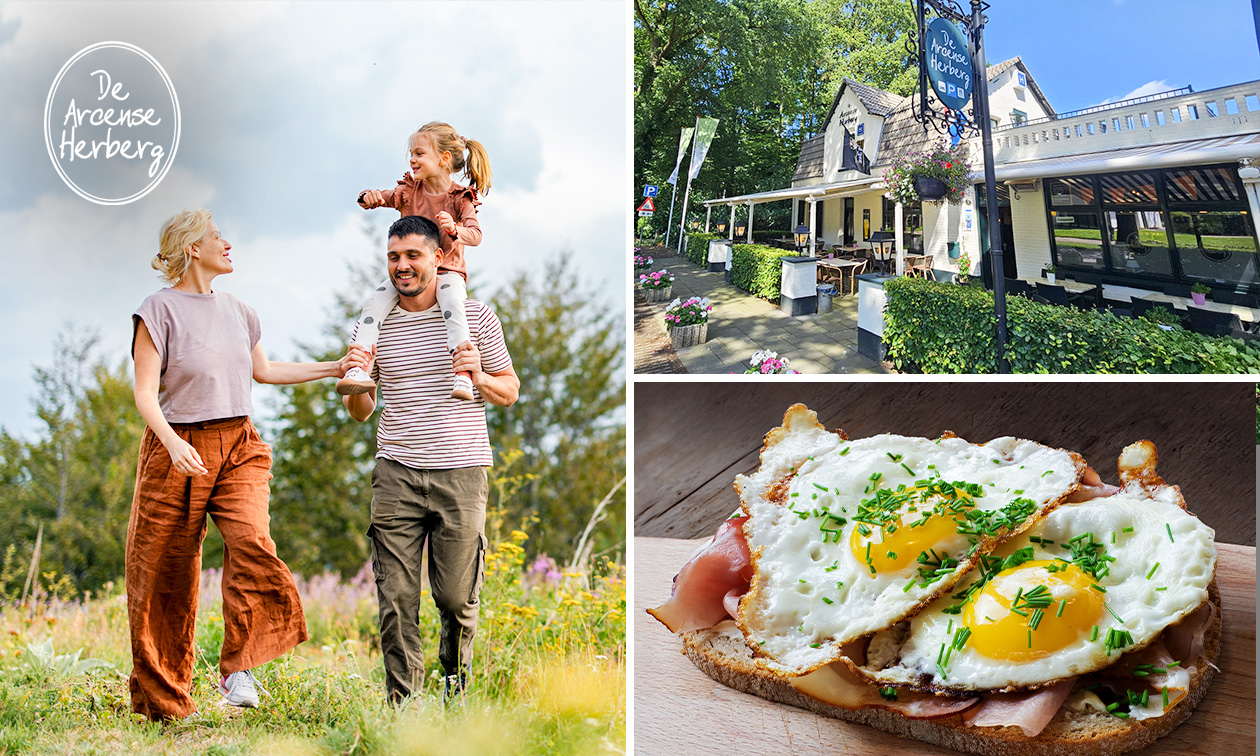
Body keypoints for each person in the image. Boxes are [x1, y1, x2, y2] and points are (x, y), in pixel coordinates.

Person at [129, 209, 369, 721]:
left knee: (252, 540)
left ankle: (240, 666)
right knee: (162, 575)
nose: (228, 243)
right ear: (193, 248)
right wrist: (171, 443)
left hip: (239, 444)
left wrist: (335, 367)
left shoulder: (239, 309)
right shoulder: (158, 310)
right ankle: (164, 704)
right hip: (177, 449)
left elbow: (265, 370)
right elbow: (145, 393)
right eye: (218, 237)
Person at [342, 214, 518, 703]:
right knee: (396, 598)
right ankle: (405, 706)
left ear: (439, 258)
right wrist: (357, 382)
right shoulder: (373, 323)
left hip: (461, 472)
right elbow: (360, 412)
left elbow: (509, 391)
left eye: (413, 255)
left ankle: (453, 688)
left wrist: (478, 377)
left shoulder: (476, 318)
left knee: (456, 598)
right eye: (394, 257)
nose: (402, 266)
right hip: (395, 471)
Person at [340, 121, 492, 401]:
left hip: (447, 272)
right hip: (413, 275)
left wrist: (454, 230)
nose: (412, 159)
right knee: (374, 301)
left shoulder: (460, 198)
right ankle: (358, 366)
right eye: (411, 153)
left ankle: (463, 373)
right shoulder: (411, 191)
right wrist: (370, 198)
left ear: (444, 159)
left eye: (420, 153)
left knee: (452, 304)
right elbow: (384, 197)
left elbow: (476, 235)